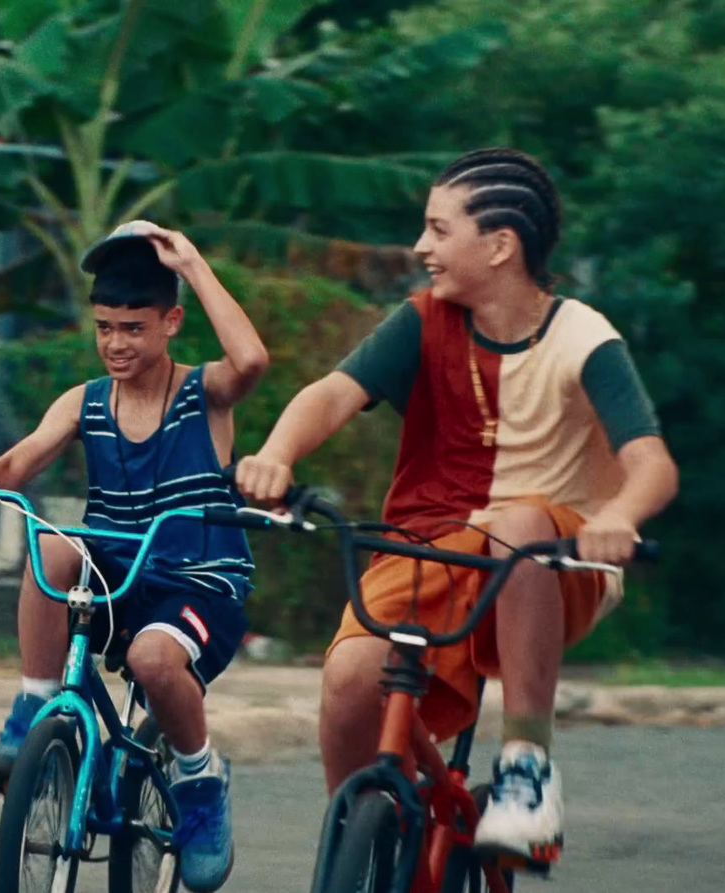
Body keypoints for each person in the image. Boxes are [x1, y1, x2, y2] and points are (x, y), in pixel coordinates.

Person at [235, 147, 679, 866]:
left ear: (500, 245)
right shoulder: (423, 320)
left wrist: (619, 517)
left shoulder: (584, 338)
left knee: (519, 521)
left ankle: (527, 768)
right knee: (350, 681)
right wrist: (278, 454)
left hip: (555, 557)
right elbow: (331, 395)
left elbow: (652, 464)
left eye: (439, 231)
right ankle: (362, 846)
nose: (421, 248)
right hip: (431, 542)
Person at [0, 220, 268, 892]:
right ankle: (36, 708)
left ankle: (200, 779)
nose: (117, 343)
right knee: (52, 546)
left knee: (153, 660)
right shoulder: (85, 401)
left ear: (171, 321)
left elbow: (253, 362)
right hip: (119, 576)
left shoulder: (202, 395)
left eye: (134, 328)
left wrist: (195, 264)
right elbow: (18, 461)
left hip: (198, 583)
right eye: (105, 327)